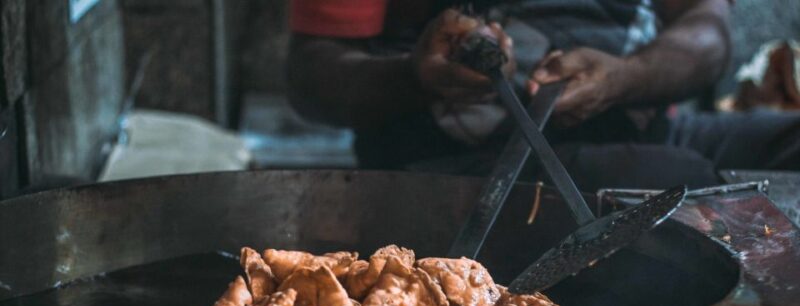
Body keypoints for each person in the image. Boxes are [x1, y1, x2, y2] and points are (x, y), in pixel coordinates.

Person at [286, 0, 800, 191]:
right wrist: (414, 77)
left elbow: (706, 29)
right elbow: (312, 76)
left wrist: (627, 76)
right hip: (449, 163)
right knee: (666, 178)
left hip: (641, 122)